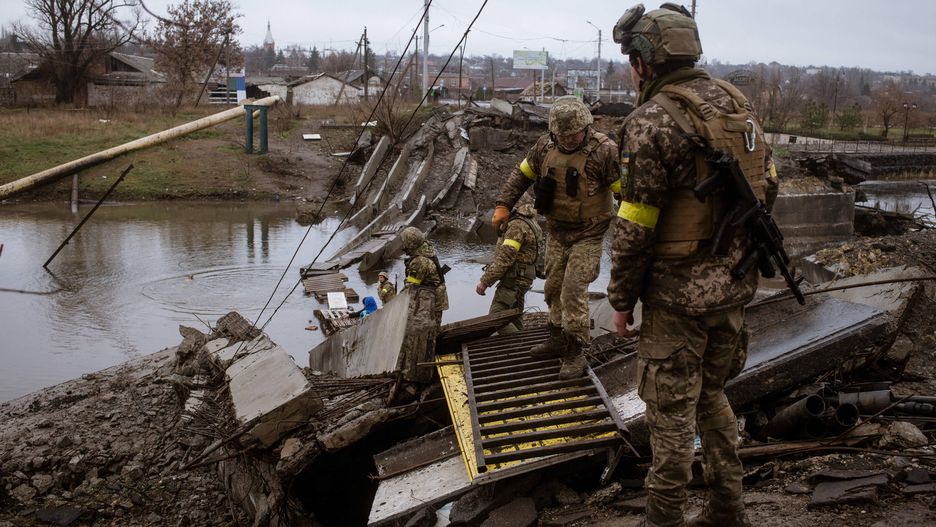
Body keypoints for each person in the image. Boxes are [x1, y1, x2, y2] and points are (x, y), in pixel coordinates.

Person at [608, 4, 779, 526]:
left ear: (643, 61)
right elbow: (767, 186)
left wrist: (620, 300)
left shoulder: (650, 120)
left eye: (632, 59)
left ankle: (664, 520)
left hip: (677, 298)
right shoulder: (737, 105)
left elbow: (635, 226)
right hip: (732, 286)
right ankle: (729, 511)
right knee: (714, 398)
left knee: (671, 417)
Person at [493, 95, 621, 379]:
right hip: (557, 230)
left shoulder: (605, 152)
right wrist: (503, 205)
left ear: (585, 128)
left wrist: (630, 234)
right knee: (552, 287)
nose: (568, 140)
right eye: (562, 135)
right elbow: (521, 175)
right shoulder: (545, 146)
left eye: (573, 134)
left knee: (573, 289)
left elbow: (626, 195)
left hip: (589, 233)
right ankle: (556, 336)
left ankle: (575, 351)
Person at [475, 203, 544, 334]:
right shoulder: (530, 222)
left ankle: (521, 346)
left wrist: (485, 281)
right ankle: (524, 347)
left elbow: (505, 258)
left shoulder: (516, 226)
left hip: (513, 281)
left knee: (496, 318)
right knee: (514, 317)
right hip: (523, 279)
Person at [397, 226, 449, 384]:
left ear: (410, 243)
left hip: (430, 301)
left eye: (404, 242)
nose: (402, 246)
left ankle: (419, 371)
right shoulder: (427, 249)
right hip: (436, 298)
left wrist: (395, 302)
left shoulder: (419, 261)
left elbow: (410, 287)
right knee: (432, 332)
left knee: (423, 336)